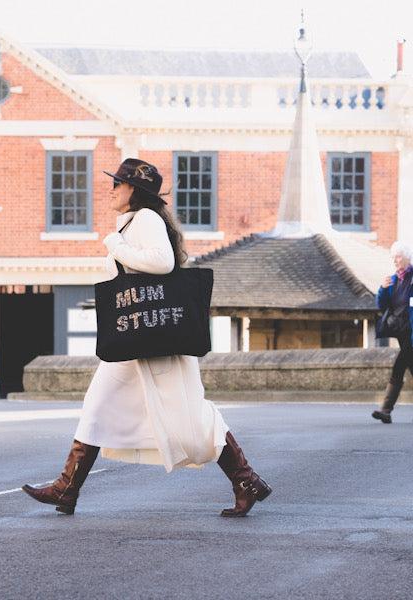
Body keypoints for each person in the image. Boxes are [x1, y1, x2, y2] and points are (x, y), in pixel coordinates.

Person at [22, 158, 271, 517]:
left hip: (153, 337)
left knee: (190, 417)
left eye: (117, 184)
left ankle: (245, 479)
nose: (111, 190)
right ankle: (67, 488)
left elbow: (162, 263)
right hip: (136, 337)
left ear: (133, 191)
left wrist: (115, 245)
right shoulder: (133, 222)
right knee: (98, 406)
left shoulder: (146, 220)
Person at [372, 241, 413, 423]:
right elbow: (382, 305)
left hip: (410, 331)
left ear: (407, 257)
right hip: (400, 330)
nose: (395, 261)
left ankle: (386, 409)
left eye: (398, 257)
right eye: (393, 257)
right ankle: (386, 410)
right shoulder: (395, 279)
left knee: (399, 365)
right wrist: (382, 289)